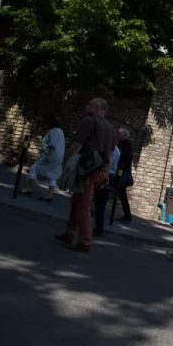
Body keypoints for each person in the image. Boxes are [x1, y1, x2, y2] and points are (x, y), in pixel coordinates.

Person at [55, 98, 116, 253]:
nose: (87, 106)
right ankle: (69, 233)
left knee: (83, 205)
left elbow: (77, 144)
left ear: (97, 107)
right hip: (100, 169)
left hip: (87, 169)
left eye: (90, 104)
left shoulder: (89, 121)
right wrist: (106, 173)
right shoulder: (110, 128)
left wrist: (67, 159)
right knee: (76, 201)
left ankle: (84, 241)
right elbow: (110, 154)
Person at [20, 114, 65, 202]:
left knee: (33, 168)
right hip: (59, 157)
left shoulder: (53, 131)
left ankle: (30, 188)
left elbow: (52, 145)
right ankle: (50, 195)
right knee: (53, 175)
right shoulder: (60, 131)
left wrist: (49, 155)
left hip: (50, 155)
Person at [114, 127, 134, 222]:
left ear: (124, 135)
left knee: (121, 194)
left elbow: (121, 157)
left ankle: (127, 216)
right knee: (121, 194)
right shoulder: (123, 144)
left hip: (122, 172)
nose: (116, 134)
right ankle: (127, 215)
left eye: (118, 133)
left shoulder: (125, 145)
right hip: (122, 171)